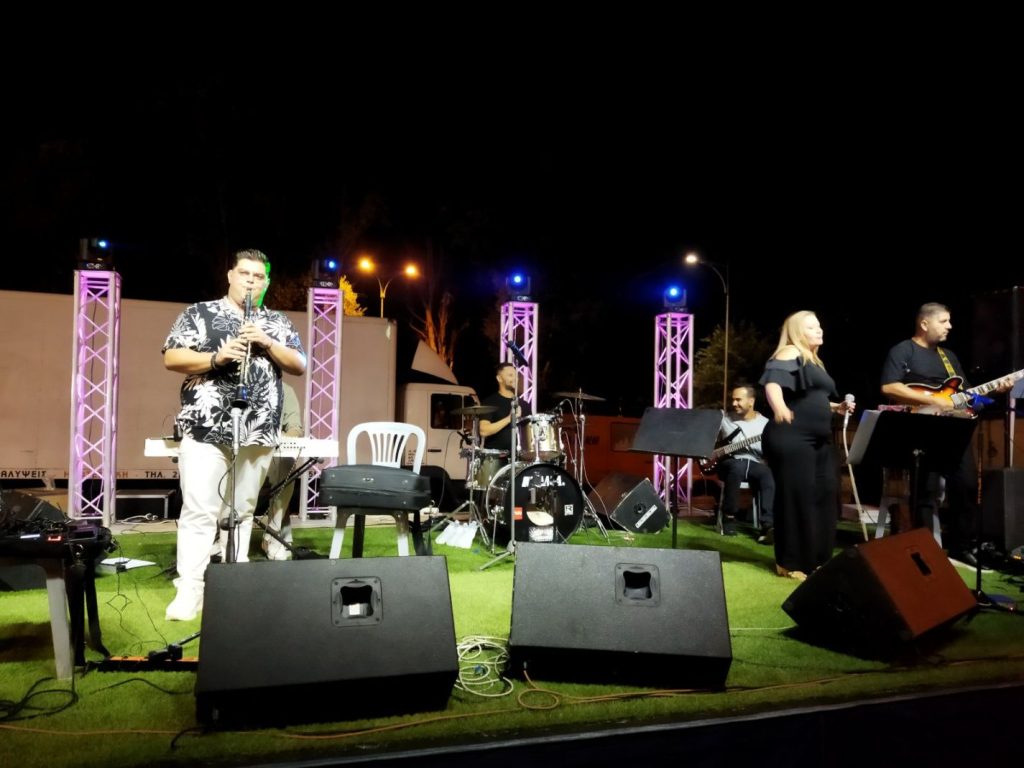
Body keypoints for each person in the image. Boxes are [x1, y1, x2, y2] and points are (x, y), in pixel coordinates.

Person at [162, 249, 306, 621]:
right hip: (206, 428)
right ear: (231, 276)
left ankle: (234, 585)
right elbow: (172, 357)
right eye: (245, 274)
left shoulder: (276, 321)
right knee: (200, 510)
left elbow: (300, 364)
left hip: (258, 431)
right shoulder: (200, 312)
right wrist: (216, 358)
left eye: (258, 276)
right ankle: (190, 590)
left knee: (241, 511)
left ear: (267, 282)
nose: (251, 281)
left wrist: (268, 342)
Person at [880, 302, 1012, 562]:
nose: (949, 326)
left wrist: (995, 391)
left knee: (967, 485)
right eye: (943, 321)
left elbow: (966, 396)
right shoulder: (903, 350)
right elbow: (889, 387)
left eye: (949, 321)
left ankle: (961, 547)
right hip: (923, 428)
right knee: (926, 490)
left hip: (954, 429)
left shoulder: (948, 357)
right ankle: (924, 549)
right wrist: (935, 401)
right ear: (924, 323)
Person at [760, 311, 855, 581]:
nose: (819, 330)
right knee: (796, 497)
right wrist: (779, 407)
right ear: (797, 332)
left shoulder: (815, 362)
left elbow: (813, 398)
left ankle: (818, 560)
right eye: (812, 327)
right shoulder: (790, 352)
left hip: (819, 441)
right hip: (792, 436)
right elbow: (773, 383)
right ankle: (789, 562)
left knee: (825, 493)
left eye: (819, 326)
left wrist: (837, 407)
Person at [715, 385, 775, 542]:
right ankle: (729, 517)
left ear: (751, 401)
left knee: (768, 474)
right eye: (732, 399)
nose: (733, 403)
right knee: (737, 466)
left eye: (738, 400)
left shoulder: (766, 424)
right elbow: (708, 437)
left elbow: (769, 450)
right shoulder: (725, 419)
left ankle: (768, 525)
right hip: (729, 462)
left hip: (755, 463)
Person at [261, 380, 303, 561]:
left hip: (270, 455)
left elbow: (295, 428)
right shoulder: (232, 384)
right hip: (237, 457)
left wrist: (282, 438)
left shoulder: (284, 389)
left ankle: (273, 534)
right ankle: (219, 537)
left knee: (286, 462)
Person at [478, 362, 532, 457]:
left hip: (520, 459)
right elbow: (483, 431)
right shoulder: (490, 402)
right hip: (495, 459)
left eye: (516, 375)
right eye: (510, 375)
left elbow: (530, 435)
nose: (515, 378)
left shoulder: (524, 405)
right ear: (499, 379)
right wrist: (509, 419)